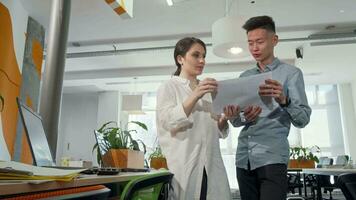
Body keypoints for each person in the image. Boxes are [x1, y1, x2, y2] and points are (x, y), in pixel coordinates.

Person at [224, 16, 312, 200]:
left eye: (259, 42)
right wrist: (235, 116)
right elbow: (239, 122)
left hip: (272, 157)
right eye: (250, 43)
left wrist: (284, 100)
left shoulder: (291, 74)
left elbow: (303, 119)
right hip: (244, 157)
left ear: (274, 40)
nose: (254, 48)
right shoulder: (245, 76)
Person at [156, 37, 231, 200]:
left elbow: (216, 131)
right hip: (185, 165)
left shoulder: (208, 91)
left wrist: (224, 119)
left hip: (211, 164)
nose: (202, 60)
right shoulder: (169, 87)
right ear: (180, 59)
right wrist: (196, 95)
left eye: (204, 56)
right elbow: (167, 121)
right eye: (196, 55)